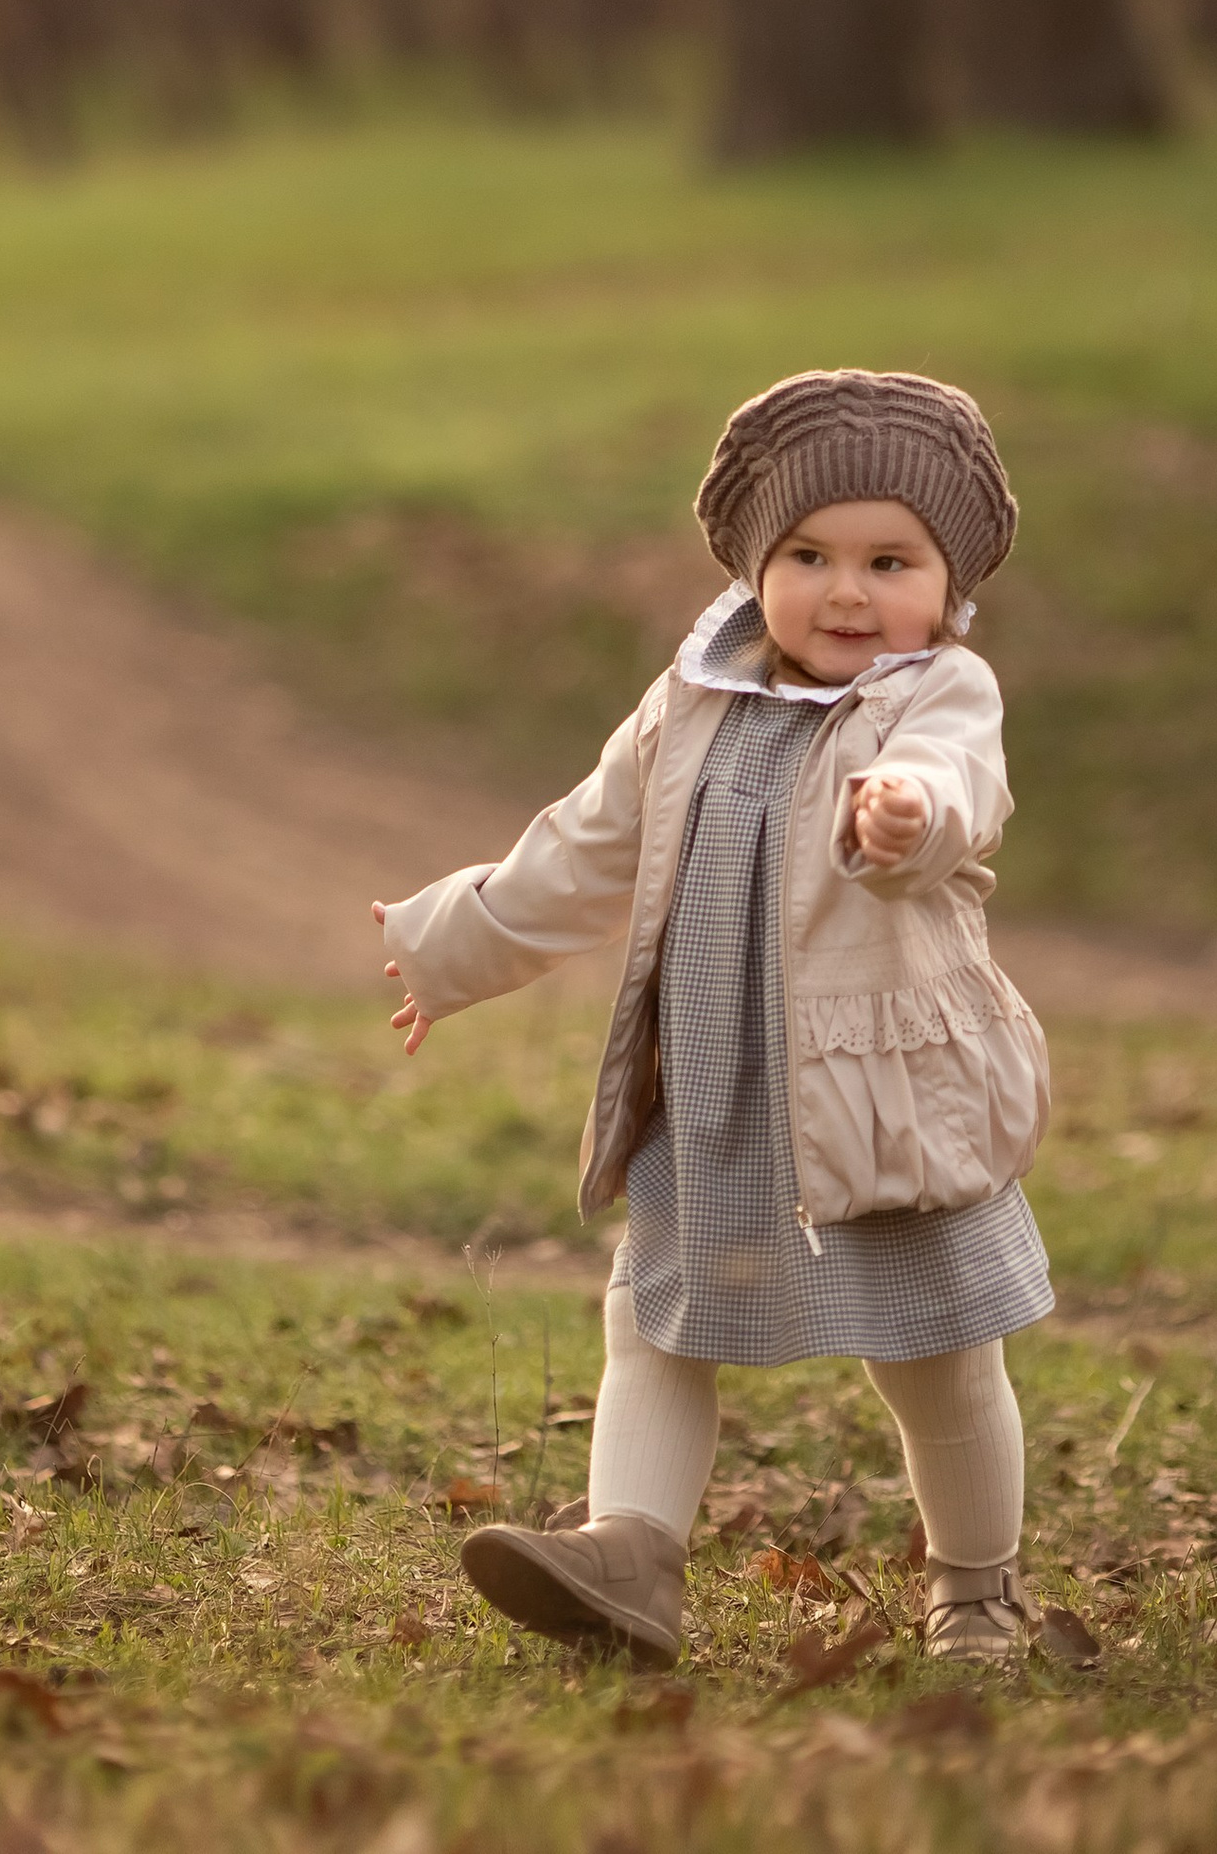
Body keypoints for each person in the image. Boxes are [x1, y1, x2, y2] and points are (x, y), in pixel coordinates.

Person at [372, 367, 1052, 1674]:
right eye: (808, 554)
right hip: (715, 1084)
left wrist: (906, 811)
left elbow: (954, 790)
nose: (848, 590)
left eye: (889, 559)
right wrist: (452, 941)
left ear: (950, 582)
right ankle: (631, 1553)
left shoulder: (937, 700)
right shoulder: (689, 698)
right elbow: (582, 849)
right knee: (656, 1318)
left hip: (884, 1095)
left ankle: (977, 1589)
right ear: (754, 566)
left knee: (937, 1351)